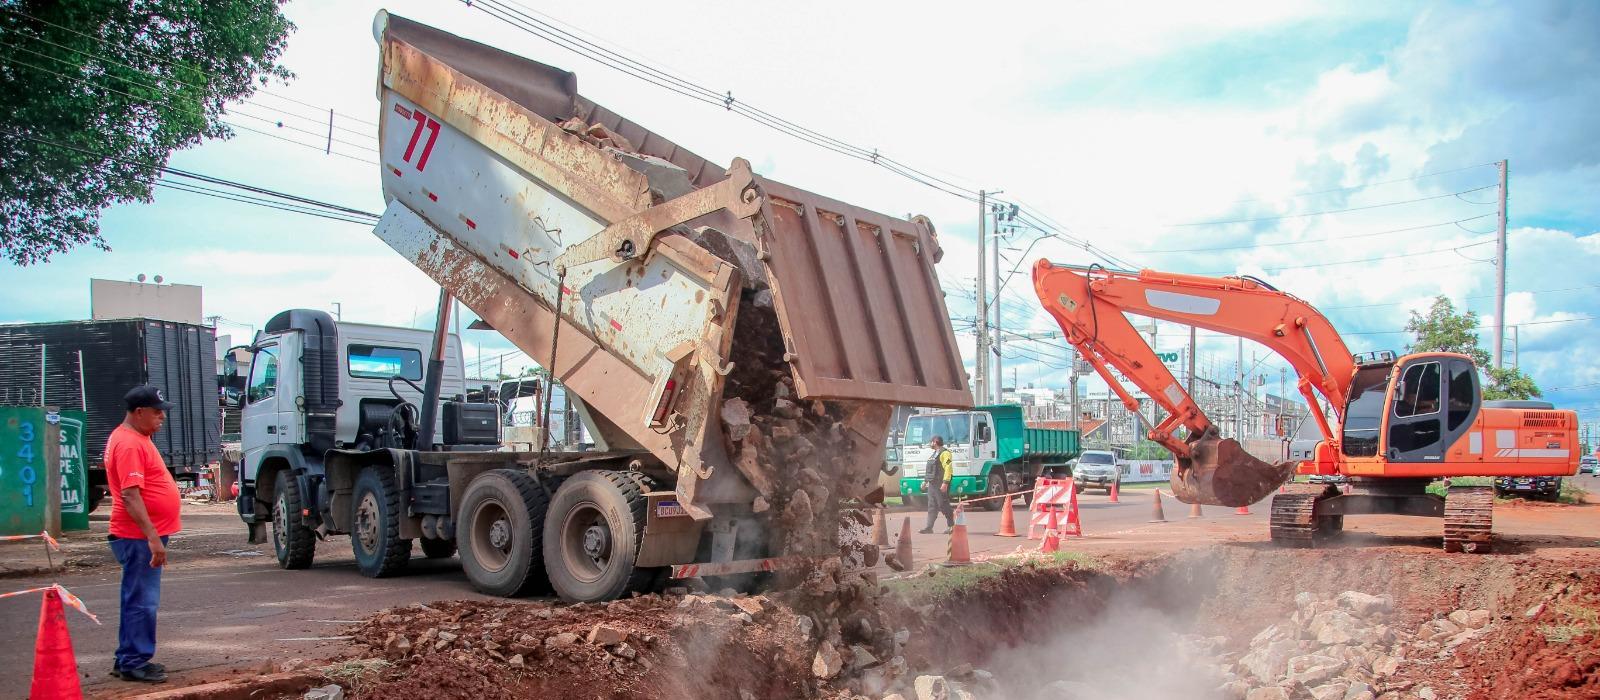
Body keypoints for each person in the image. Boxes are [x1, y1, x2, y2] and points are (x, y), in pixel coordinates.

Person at [104, 385, 182, 683]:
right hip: (137, 536)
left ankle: (127, 656)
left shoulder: (136, 438)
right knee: (142, 600)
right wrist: (152, 537)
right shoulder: (129, 444)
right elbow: (130, 495)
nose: (162, 417)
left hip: (140, 534)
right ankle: (133, 662)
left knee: (136, 597)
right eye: (157, 411)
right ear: (139, 413)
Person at [919, 435, 955, 534]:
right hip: (932, 484)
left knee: (943, 504)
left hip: (940, 483)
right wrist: (925, 481)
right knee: (932, 506)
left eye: (931, 442)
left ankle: (951, 526)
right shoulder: (934, 454)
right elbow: (930, 470)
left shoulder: (945, 453)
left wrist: (945, 483)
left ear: (935, 442)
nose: (930, 444)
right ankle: (929, 527)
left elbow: (948, 468)